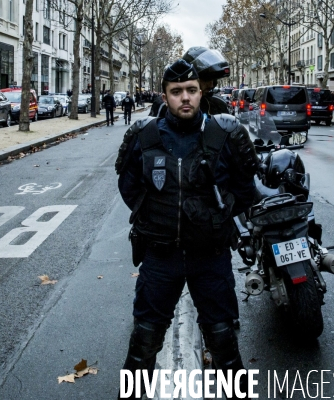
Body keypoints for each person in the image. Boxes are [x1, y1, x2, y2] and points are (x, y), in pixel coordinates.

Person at [115, 59, 259, 399]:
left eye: (191, 90)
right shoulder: (143, 135)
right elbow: (129, 187)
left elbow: (244, 189)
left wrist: (214, 218)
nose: (185, 98)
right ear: (165, 96)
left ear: (200, 92)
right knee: (144, 342)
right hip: (159, 257)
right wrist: (157, 218)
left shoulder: (226, 133)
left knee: (223, 342)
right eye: (176, 91)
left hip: (210, 257)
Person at [182, 46, 231, 116]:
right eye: (206, 79)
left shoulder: (219, 105)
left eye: (213, 79)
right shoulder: (172, 106)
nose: (211, 85)